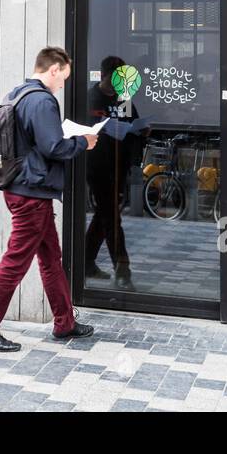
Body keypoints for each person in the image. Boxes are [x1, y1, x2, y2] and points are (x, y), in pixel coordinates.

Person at [0, 47, 98, 353]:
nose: (63, 84)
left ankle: (64, 321)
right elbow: (54, 147)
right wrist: (84, 141)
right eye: (63, 78)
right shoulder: (41, 100)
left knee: (51, 258)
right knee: (16, 262)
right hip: (32, 194)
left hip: (26, 189)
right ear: (53, 69)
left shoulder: (18, 93)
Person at [84, 55, 141, 291]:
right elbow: (82, 129)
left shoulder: (123, 99)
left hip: (119, 165)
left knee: (104, 215)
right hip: (97, 165)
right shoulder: (90, 97)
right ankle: (123, 268)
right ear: (105, 75)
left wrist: (142, 131)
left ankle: (85, 262)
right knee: (110, 216)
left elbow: (134, 125)